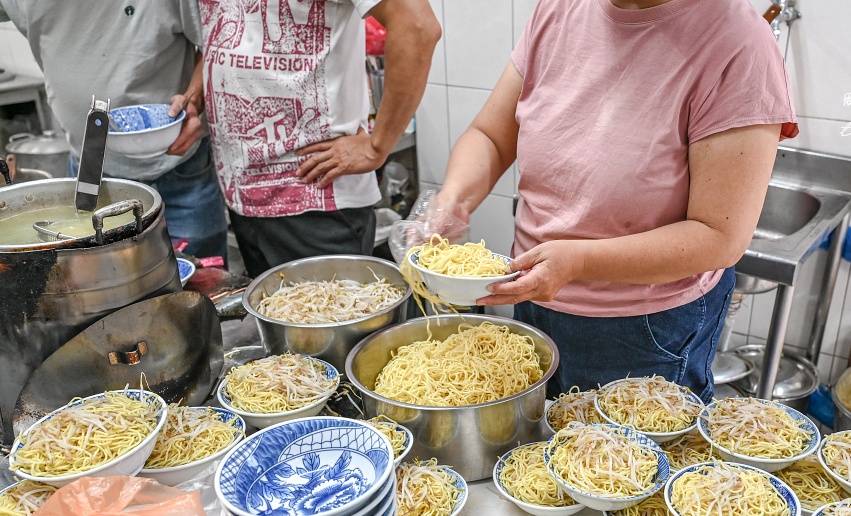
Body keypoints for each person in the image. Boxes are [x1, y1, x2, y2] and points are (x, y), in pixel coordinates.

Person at [425, 0, 798, 401]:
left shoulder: (738, 43)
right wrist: (454, 198)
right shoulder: (559, 9)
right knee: (538, 455)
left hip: (646, 329)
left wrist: (579, 262)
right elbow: (491, 136)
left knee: (620, 461)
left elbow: (720, 235)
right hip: (535, 299)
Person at [200, 0, 439, 278]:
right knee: (272, 317)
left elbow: (417, 26)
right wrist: (199, 86)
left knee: (336, 318)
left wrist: (377, 146)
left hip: (315, 195)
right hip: (241, 194)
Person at [0, 0, 230, 262]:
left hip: (179, 174)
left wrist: (194, 101)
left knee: (200, 285)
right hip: (88, 176)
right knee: (95, 287)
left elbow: (216, 46)